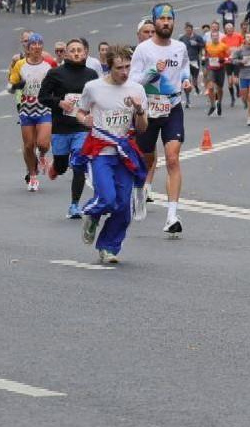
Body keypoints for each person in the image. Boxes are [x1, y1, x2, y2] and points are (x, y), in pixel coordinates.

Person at [74, 45, 149, 264]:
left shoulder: (137, 89)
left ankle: (109, 247)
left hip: (124, 152)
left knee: (124, 207)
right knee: (108, 198)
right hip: (101, 151)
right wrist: (84, 120)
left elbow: (143, 128)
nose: (125, 72)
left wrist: (140, 111)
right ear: (109, 67)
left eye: (128, 67)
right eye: (119, 68)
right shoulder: (93, 88)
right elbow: (80, 111)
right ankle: (92, 213)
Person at [130, 3, 192, 236]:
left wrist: (186, 81)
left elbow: (184, 69)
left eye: (169, 18)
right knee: (144, 160)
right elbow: (134, 80)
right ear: (154, 22)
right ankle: (139, 191)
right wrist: (152, 72)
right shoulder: (144, 50)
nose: (166, 22)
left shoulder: (179, 47)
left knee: (173, 159)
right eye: (161, 18)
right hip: (148, 109)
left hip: (173, 107)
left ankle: (172, 216)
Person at [40, 38, 99, 218]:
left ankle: (74, 205)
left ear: (85, 53)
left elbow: (99, 98)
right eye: (72, 50)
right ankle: (55, 166)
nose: (76, 53)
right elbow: (42, 97)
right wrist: (59, 102)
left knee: (79, 164)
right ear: (65, 53)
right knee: (62, 165)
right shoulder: (55, 74)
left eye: (79, 50)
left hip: (81, 128)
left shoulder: (91, 75)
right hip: (60, 128)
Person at [8, 33, 58, 192]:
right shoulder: (20, 64)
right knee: (29, 146)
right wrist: (17, 85)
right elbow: (10, 86)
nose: (36, 48)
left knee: (43, 143)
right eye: (33, 45)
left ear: (42, 47)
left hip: (44, 106)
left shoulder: (50, 63)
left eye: (39, 45)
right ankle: (33, 176)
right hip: (27, 108)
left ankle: (42, 156)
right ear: (28, 49)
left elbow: (59, 80)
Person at [179, 22, 206, 109]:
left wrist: (197, 44)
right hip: (185, 62)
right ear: (185, 29)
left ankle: (196, 87)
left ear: (192, 29)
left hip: (195, 61)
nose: (188, 30)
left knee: (194, 79)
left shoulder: (197, 37)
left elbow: (203, 46)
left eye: (189, 29)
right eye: (187, 29)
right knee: (187, 81)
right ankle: (188, 100)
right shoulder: (182, 38)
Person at [203, 28, 230, 116]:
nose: (215, 37)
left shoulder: (223, 46)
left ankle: (219, 103)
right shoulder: (208, 46)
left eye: (216, 36)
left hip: (220, 69)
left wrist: (224, 60)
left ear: (218, 37)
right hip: (211, 69)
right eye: (213, 36)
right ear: (211, 37)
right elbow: (206, 56)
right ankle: (212, 105)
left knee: (219, 89)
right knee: (210, 87)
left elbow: (229, 57)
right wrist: (204, 60)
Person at [221, 21, 244, 106]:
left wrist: (238, 49)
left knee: (235, 80)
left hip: (236, 60)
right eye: (227, 29)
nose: (229, 30)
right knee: (230, 82)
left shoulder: (238, 36)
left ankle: (238, 89)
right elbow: (222, 49)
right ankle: (232, 98)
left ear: (233, 29)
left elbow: (242, 44)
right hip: (228, 61)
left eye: (230, 29)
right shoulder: (223, 39)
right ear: (225, 30)